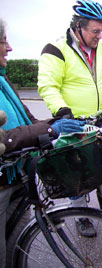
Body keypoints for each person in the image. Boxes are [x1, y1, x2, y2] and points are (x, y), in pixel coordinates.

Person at [0, 18, 85, 268]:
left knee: (15, 248)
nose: (10, 48)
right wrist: (50, 128)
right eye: (4, 41)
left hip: (18, 177)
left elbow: (28, 120)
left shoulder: (3, 81)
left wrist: (54, 123)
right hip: (2, 181)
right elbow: (6, 139)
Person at [37, 0, 102, 237]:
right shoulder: (56, 49)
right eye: (95, 31)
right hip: (72, 123)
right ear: (78, 26)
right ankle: (82, 216)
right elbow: (47, 85)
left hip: (98, 118)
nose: (99, 36)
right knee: (76, 174)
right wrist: (61, 109)